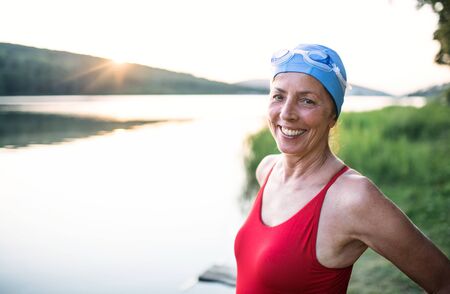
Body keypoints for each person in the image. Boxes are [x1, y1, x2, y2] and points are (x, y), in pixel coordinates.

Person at [234, 43, 450, 293]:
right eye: (278, 96)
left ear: (332, 117)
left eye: (307, 101)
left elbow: (443, 281)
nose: (287, 113)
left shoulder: (353, 198)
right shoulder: (266, 169)